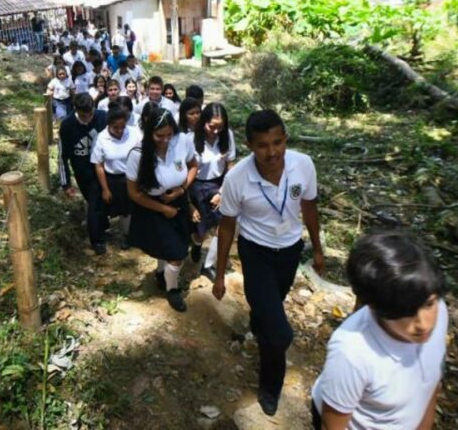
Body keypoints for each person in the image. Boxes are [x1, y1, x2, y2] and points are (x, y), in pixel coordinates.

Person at [212, 109, 325, 416]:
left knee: (270, 308)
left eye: (278, 142)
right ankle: (270, 386)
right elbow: (226, 227)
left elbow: (310, 207)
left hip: (289, 250)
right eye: (263, 145)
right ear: (250, 145)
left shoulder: (303, 165)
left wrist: (317, 249)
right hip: (256, 252)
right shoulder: (237, 178)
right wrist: (219, 275)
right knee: (279, 334)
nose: (272, 152)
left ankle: (261, 320)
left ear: (285, 139)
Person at [311, 232, 448, 430]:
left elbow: (432, 382)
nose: (424, 324)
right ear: (378, 307)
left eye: (428, 304)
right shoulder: (352, 354)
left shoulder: (439, 309)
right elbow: (333, 425)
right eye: (406, 312)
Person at [126, 106, 198, 312]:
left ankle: (162, 274)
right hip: (152, 206)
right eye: (160, 136)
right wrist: (162, 208)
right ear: (149, 133)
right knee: (176, 253)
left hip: (178, 202)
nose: (166, 140)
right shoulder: (137, 155)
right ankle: (172, 289)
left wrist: (182, 189)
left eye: (169, 135)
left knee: (176, 244)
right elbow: (134, 193)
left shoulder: (182, 141)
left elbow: (193, 166)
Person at [188, 103, 236, 282]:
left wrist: (223, 192)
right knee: (200, 231)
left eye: (220, 127)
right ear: (203, 122)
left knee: (220, 227)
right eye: (212, 126)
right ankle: (196, 245)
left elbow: (230, 167)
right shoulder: (191, 139)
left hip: (218, 185)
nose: (216, 131)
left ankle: (207, 266)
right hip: (196, 185)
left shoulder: (227, 136)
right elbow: (187, 172)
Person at [59, 94, 109, 255]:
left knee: (95, 204)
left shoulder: (102, 117)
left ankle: (97, 240)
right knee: (93, 200)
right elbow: (62, 157)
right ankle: (102, 226)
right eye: (83, 116)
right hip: (82, 171)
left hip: (103, 169)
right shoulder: (67, 126)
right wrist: (65, 183)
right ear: (76, 110)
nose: (87, 119)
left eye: (90, 114)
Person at [91, 103, 139, 250]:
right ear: (109, 125)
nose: (119, 131)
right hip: (111, 178)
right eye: (115, 128)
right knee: (105, 208)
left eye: (122, 127)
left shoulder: (134, 133)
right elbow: (98, 164)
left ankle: (127, 236)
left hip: (130, 178)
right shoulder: (101, 138)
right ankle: (102, 235)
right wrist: (105, 188)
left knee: (128, 210)